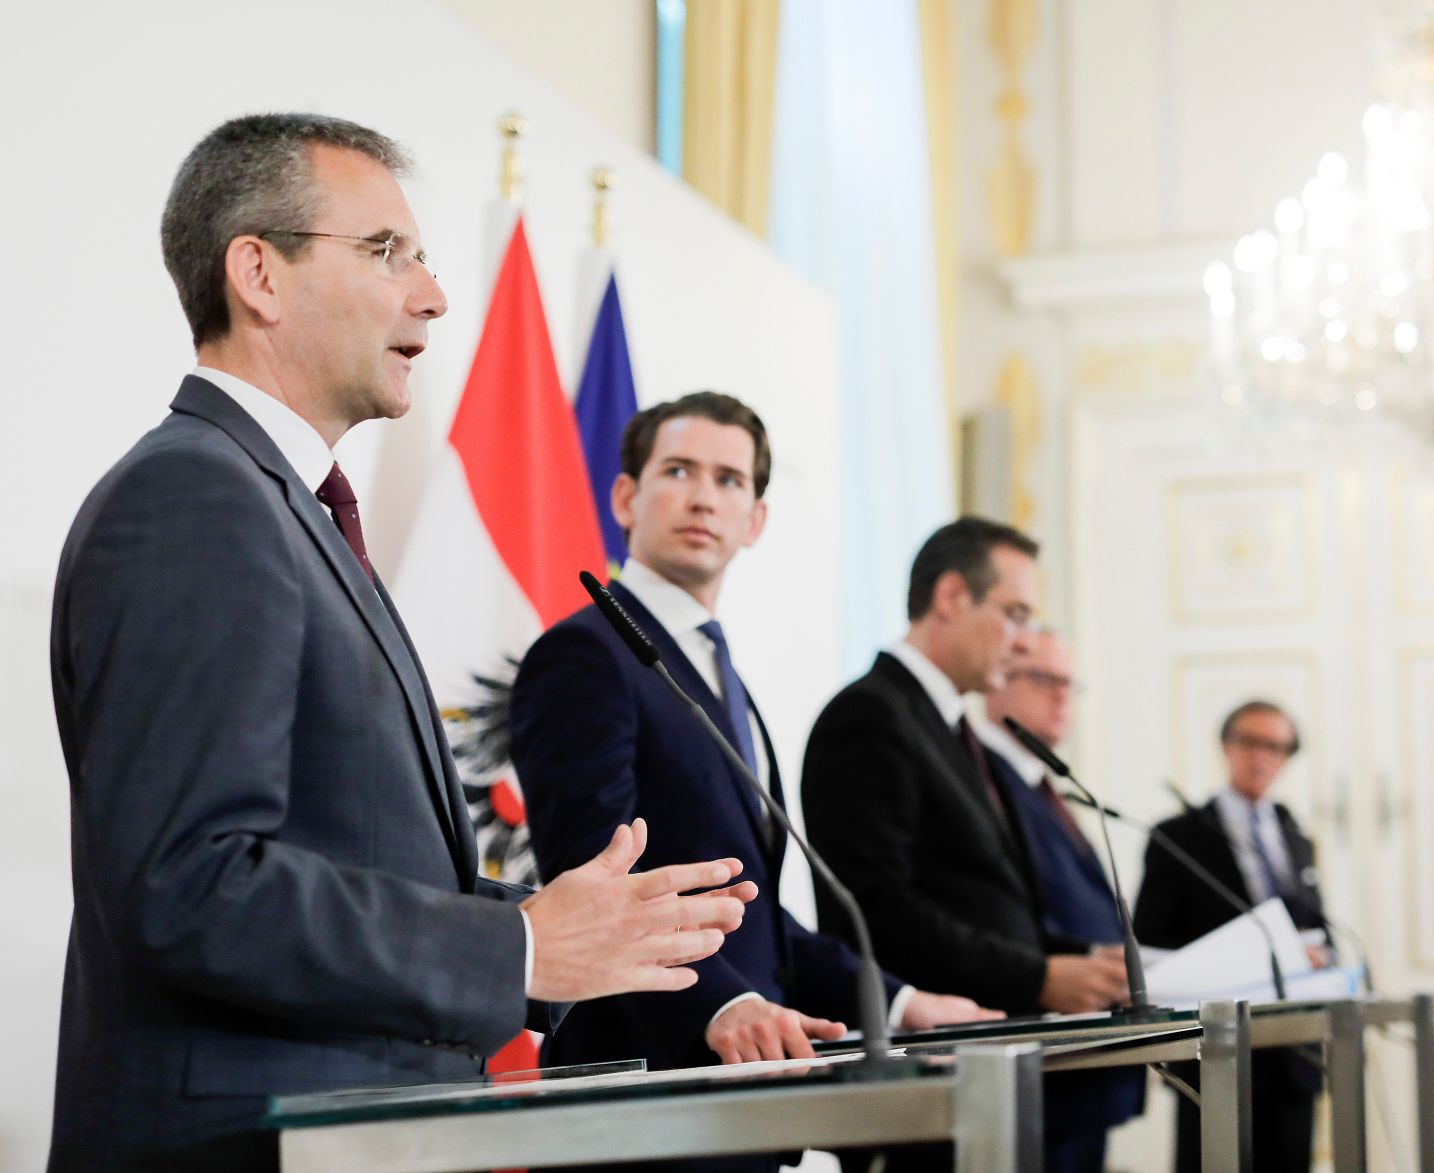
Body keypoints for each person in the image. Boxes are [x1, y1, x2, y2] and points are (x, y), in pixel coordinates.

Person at [48, 114, 752, 1171]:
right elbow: (188, 885)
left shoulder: (287, 507)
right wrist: (517, 948)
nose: (432, 293)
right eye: (386, 252)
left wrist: (563, 922)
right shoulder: (195, 498)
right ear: (260, 276)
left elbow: (353, 851)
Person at [509, 394, 990, 1110]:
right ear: (625, 497)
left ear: (755, 520)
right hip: (638, 1092)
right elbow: (596, 888)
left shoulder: (715, 669)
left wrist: (899, 1002)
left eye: (730, 480)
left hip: (740, 1088)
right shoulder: (585, 655)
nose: (703, 496)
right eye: (678, 470)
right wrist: (722, 1007)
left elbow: (755, 919)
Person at [801, 517, 1131, 1016]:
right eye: (1016, 614)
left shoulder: (951, 725)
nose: (1023, 641)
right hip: (930, 1050)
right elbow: (875, 909)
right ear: (952, 596)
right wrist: (1037, 978)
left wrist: (1085, 959)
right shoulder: (869, 715)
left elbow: (987, 906)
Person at [1132, 699, 1329, 1173]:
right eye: (1251, 742)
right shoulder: (1178, 835)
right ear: (1226, 746)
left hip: (1292, 1051)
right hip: (1216, 1051)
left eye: (1278, 747)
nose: (1263, 757)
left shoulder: (1294, 833)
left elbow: (1319, 927)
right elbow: (1151, 941)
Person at [975, 629, 1146, 1173]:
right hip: (1040, 1047)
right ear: (998, 679)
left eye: (1071, 684)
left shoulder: (1043, 782)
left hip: (1088, 1049)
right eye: (1046, 680)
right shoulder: (982, 778)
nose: (1062, 697)